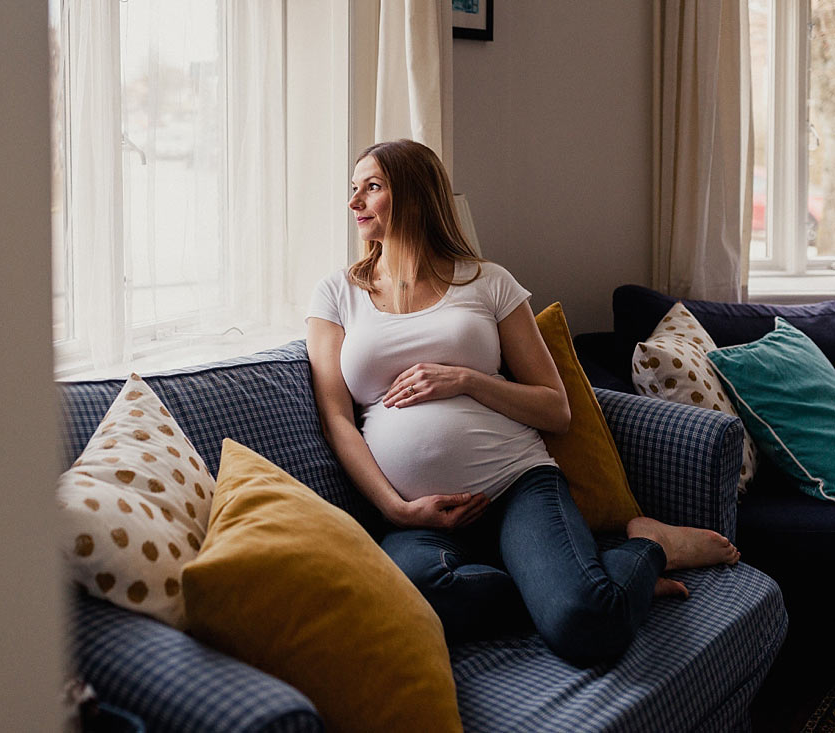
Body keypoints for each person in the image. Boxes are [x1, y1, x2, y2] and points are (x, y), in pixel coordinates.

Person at [305, 138, 740, 666]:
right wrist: (395, 508)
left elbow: (555, 408)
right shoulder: (337, 293)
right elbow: (337, 419)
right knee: (416, 598)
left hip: (516, 486)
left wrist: (465, 378)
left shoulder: (487, 282)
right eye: (354, 189)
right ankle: (576, 573)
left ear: (417, 196)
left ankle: (647, 546)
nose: (354, 202)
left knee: (587, 626)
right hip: (418, 517)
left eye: (372, 188)